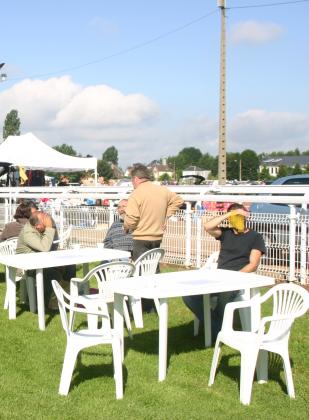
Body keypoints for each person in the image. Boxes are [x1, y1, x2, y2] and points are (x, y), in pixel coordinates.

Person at [183, 203, 266, 341]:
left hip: (238, 279)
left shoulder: (255, 237)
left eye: (239, 216)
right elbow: (208, 226)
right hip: (218, 278)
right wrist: (228, 215)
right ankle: (216, 325)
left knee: (225, 294)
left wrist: (234, 277)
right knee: (189, 296)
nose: (237, 219)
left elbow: (253, 264)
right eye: (234, 216)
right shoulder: (225, 233)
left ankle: (215, 328)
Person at [124, 164, 184, 311]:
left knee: (140, 273)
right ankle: (155, 304)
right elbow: (178, 201)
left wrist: (126, 226)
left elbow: (132, 219)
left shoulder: (136, 194)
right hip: (157, 237)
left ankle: (144, 306)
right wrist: (165, 216)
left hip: (141, 237)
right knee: (153, 270)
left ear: (136, 179)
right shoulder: (162, 190)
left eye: (132, 180)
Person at [16, 211, 63, 309]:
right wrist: (50, 228)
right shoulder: (28, 233)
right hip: (25, 266)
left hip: (40, 262)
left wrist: (51, 227)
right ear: (37, 225)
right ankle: (42, 303)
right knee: (52, 274)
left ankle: (64, 298)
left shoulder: (38, 229)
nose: (47, 225)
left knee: (69, 267)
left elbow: (52, 247)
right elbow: (45, 248)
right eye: (45, 223)